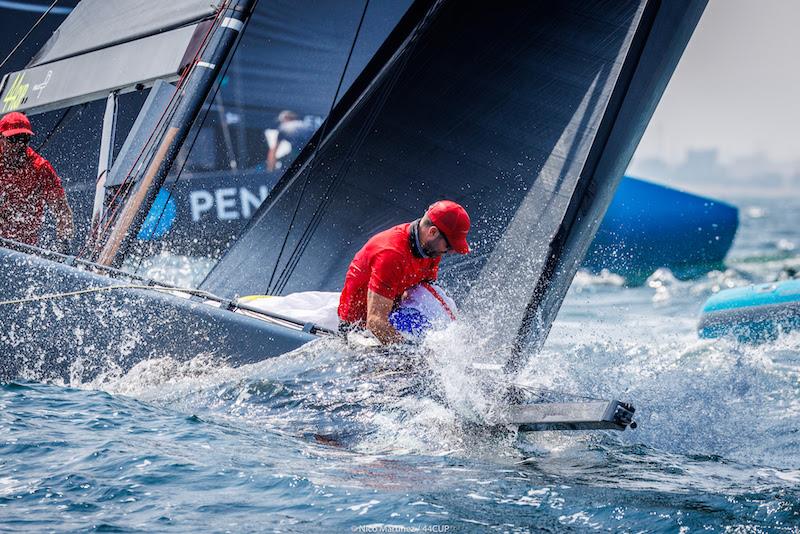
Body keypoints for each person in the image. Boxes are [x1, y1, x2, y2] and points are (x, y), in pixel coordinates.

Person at [338, 200, 470, 344]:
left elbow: (422, 292)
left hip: (391, 314)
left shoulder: (431, 250)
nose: (451, 252)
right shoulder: (391, 255)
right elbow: (375, 322)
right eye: (450, 245)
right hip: (357, 329)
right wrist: (410, 352)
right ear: (432, 232)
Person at [0, 112, 73, 250]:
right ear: (1, 138)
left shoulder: (40, 168)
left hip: (23, 248)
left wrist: (64, 244)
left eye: (25, 139)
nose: (19, 145)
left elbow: (62, 210)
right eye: (13, 139)